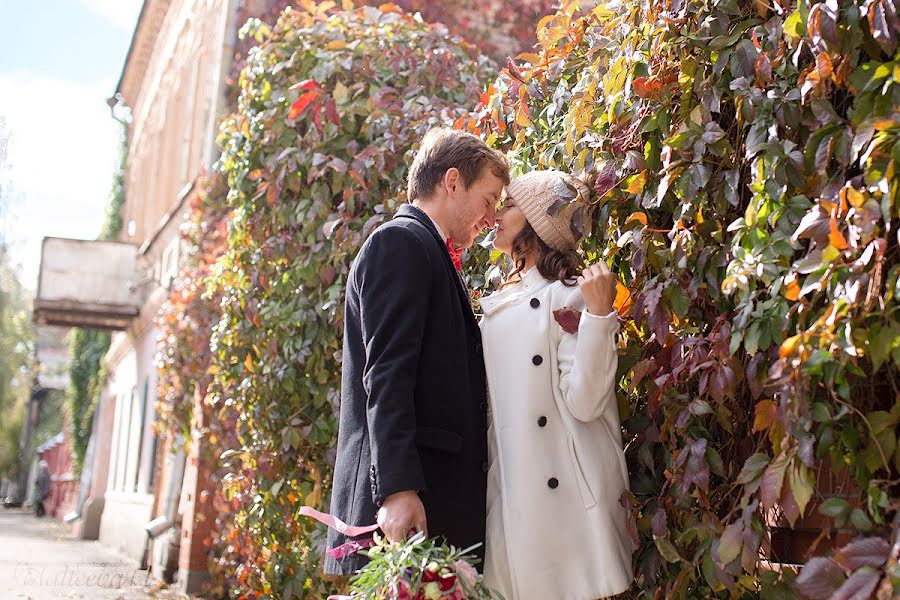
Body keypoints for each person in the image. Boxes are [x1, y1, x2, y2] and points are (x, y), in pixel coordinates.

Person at [324, 128, 510, 576]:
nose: (490, 218)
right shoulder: (401, 244)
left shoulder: (426, 249)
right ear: (452, 182)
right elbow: (387, 374)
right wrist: (397, 489)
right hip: (404, 513)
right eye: (488, 199)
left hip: (426, 506)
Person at [480, 170, 634, 599]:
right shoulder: (498, 303)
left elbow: (585, 403)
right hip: (513, 496)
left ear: (535, 224)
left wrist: (601, 317)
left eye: (508, 206)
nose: (495, 214)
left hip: (565, 502)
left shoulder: (567, 296)